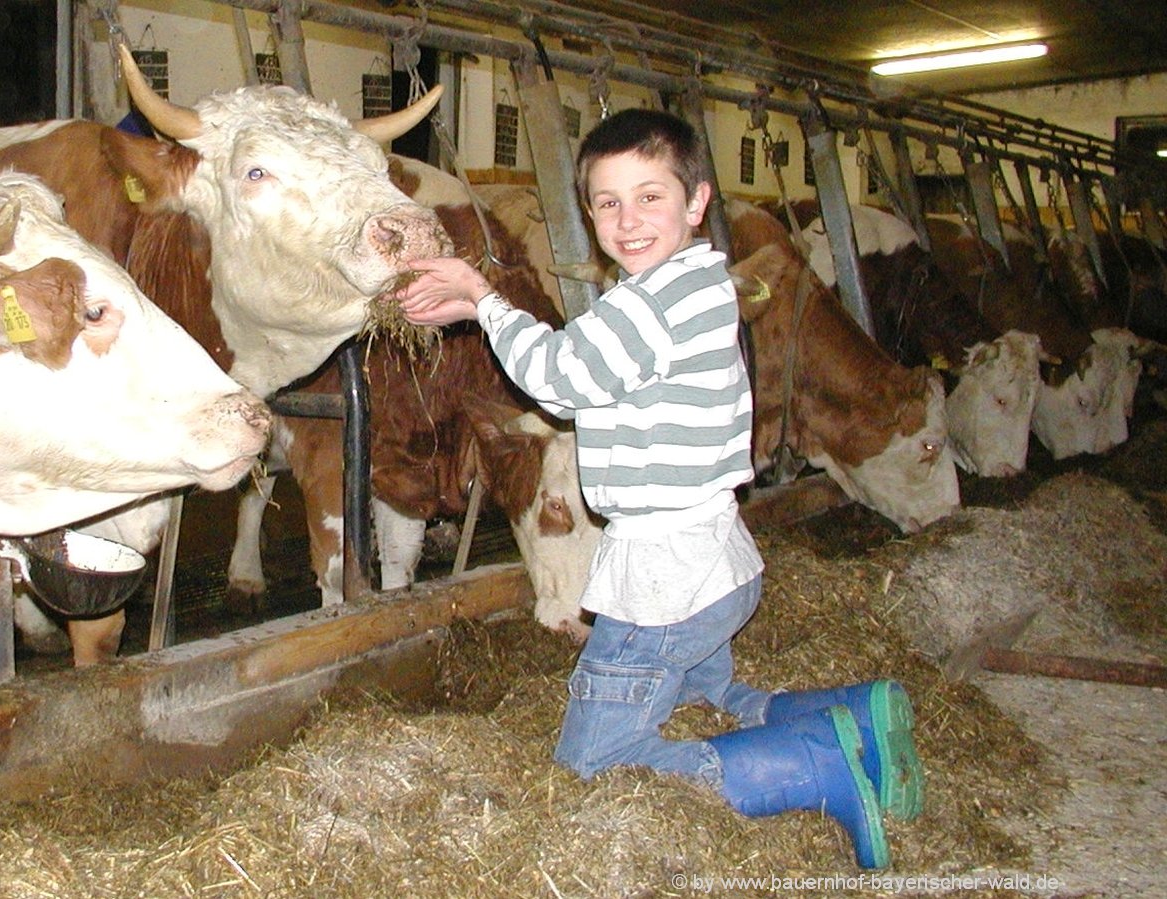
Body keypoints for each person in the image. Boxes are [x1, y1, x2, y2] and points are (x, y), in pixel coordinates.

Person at [395, 108, 922, 869]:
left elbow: (561, 379)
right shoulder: (701, 282)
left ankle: (818, 765)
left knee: (593, 763)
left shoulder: (652, 301)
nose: (626, 219)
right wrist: (488, 314)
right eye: (607, 202)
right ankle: (854, 719)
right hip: (714, 563)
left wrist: (482, 297)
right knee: (704, 690)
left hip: (664, 581)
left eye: (650, 196)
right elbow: (596, 362)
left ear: (697, 201)